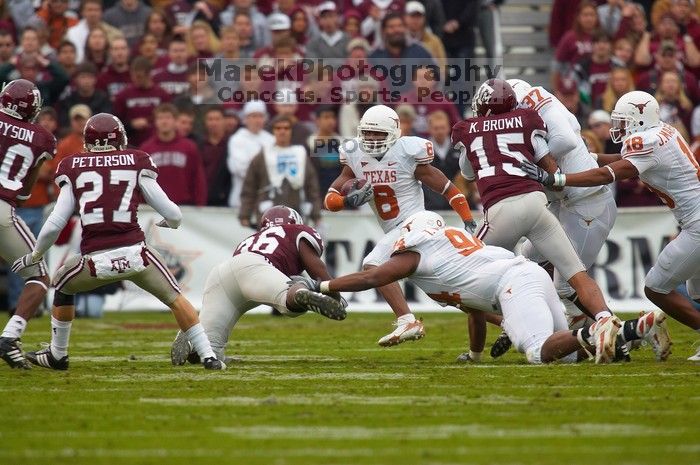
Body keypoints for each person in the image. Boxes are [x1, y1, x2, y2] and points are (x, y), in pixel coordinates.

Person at [290, 211, 669, 365]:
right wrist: (475, 353)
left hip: (513, 284)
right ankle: (636, 332)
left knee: (538, 352)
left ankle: (610, 328)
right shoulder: (452, 246)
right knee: (569, 355)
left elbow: (375, 277)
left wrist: (323, 283)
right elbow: (471, 306)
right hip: (527, 276)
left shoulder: (418, 253)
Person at [13, 113, 223, 371]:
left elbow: (54, 224)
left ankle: (58, 354)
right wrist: (170, 224)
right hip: (137, 255)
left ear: (88, 142)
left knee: (63, 287)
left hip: (94, 262)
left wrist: (35, 255)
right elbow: (174, 214)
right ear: (120, 137)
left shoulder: (73, 165)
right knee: (176, 298)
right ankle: (209, 357)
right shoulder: (136, 160)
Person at [453, 78, 626, 363]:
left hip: (541, 205)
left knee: (466, 275)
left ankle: (483, 346)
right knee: (554, 269)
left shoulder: (478, 127)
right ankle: (602, 327)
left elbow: (467, 173)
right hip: (543, 205)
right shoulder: (529, 118)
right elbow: (567, 145)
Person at [521, 90, 700, 362]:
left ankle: (620, 332)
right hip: (693, 218)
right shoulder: (663, 132)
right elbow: (620, 163)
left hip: (696, 224)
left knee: (656, 288)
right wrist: (588, 155)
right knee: (696, 292)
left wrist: (559, 179)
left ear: (639, 121)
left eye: (623, 121)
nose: (618, 128)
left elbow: (610, 174)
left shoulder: (646, 141)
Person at [324, 105, 477, 347]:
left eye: (379, 134)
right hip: (397, 230)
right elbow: (330, 198)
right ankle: (504, 322)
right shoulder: (354, 154)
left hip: (415, 222)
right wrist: (345, 200)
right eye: (368, 133)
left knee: (373, 263)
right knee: (446, 292)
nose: (372, 139)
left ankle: (407, 320)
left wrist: (467, 218)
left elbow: (448, 188)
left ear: (394, 133)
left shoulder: (407, 153)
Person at [170, 205, 345, 364]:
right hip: (256, 269)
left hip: (222, 274)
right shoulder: (298, 231)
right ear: (295, 222)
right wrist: (334, 295)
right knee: (291, 301)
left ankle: (192, 334)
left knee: (208, 351)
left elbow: (242, 271)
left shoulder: (250, 239)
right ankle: (300, 293)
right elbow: (318, 270)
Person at [0, 80, 57, 369]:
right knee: (39, 277)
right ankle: (10, 337)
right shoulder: (42, 138)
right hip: (2, 209)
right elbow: (24, 192)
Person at [239, 114, 322, 226]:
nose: (282, 131)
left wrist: (316, 215)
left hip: (296, 210)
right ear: (273, 131)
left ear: (291, 131)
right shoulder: (263, 155)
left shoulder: (300, 154)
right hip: (268, 212)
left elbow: (312, 187)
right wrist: (245, 214)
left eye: (286, 128)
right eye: (278, 128)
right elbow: (249, 186)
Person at [139, 104, 206, 206]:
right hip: (154, 206)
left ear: (175, 121)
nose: (164, 122)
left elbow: (198, 178)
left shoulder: (189, 147)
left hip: (184, 205)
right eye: (160, 118)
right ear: (155, 122)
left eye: (168, 118)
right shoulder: (146, 149)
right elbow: (142, 181)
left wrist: (200, 204)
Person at [113, 56, 171, 146]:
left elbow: (169, 119)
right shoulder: (123, 95)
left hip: (156, 143)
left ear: (148, 74)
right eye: (133, 76)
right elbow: (115, 122)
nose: (135, 79)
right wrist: (131, 125)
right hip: (131, 143)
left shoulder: (162, 94)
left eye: (139, 76)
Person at [227, 100, 274, 208]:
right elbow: (240, 168)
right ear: (246, 119)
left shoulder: (270, 139)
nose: (257, 120)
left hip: (266, 201)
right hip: (241, 200)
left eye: (260, 116)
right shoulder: (237, 139)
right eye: (253, 116)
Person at [199, 106, 231, 206]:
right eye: (210, 119)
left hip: (225, 198)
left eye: (217, 119)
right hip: (203, 196)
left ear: (224, 121)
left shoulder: (232, 144)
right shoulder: (199, 145)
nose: (214, 123)